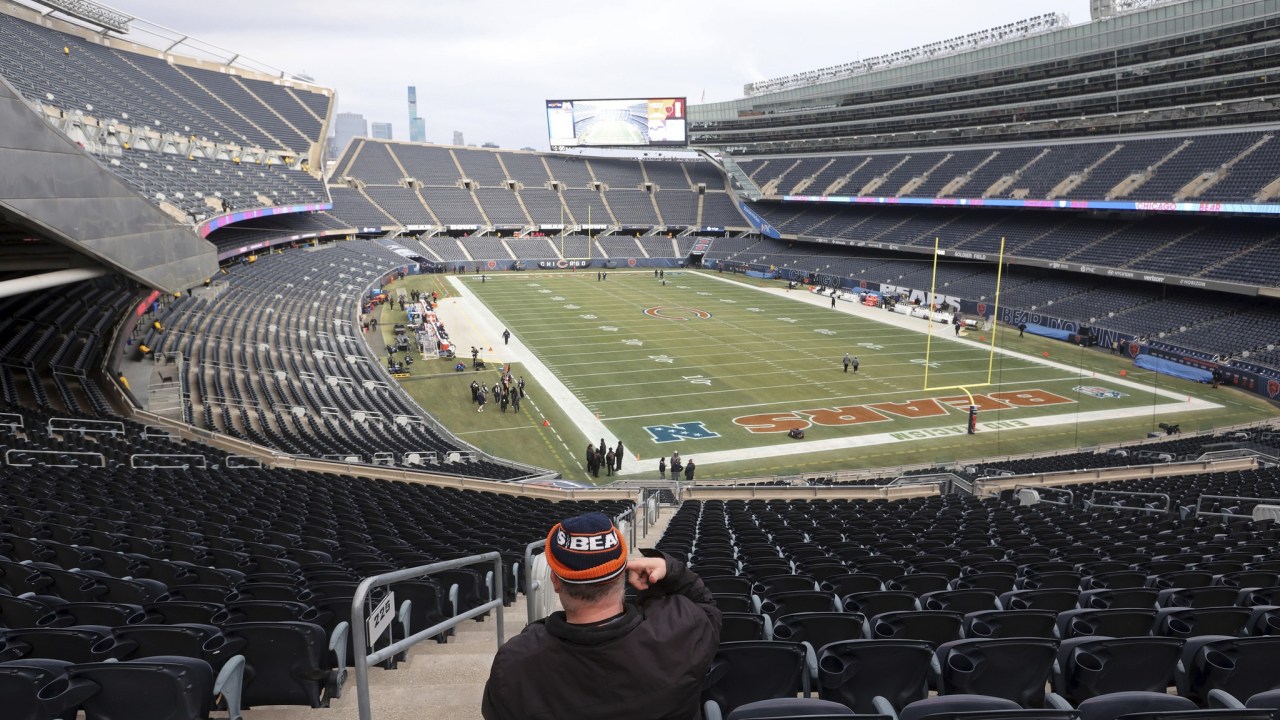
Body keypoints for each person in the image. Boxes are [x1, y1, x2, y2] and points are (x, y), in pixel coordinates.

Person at [481, 512, 721, 720]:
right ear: (623, 573)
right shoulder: (681, 632)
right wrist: (670, 569)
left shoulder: (514, 664)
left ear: (554, 580)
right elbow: (706, 604)